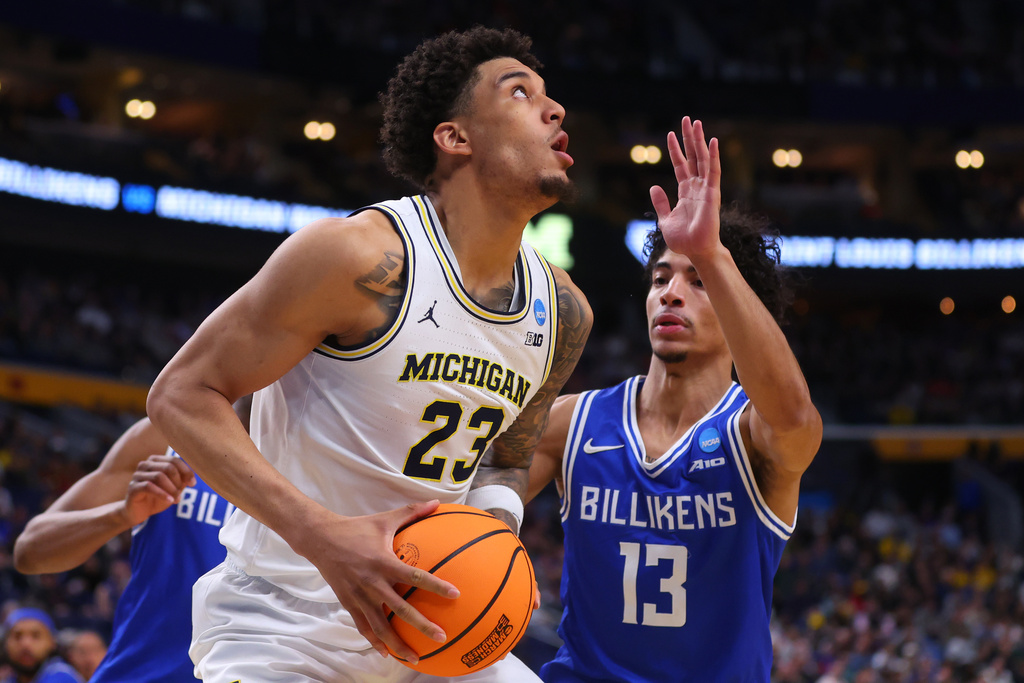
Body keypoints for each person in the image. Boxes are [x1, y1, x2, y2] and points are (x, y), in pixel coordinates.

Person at [146, 26, 592, 683]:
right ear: (455, 137)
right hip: (286, 625)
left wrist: (492, 536)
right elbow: (179, 394)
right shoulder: (358, 256)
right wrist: (322, 535)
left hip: (430, 625)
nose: (554, 110)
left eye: (550, 96)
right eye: (521, 93)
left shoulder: (563, 309)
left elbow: (506, 451)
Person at [526, 117, 823, 682]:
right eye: (662, 277)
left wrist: (713, 254)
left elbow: (794, 415)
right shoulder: (574, 422)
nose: (670, 292)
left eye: (698, 282)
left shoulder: (752, 437)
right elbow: (475, 500)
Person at [12, 406, 247, 682]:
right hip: (140, 673)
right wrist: (122, 514)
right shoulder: (171, 430)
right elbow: (30, 550)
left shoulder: (304, 461)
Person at [1, 608, 83, 683]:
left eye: (35, 636)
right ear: (6, 643)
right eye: (17, 636)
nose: (25, 644)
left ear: (52, 642)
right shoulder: (8, 679)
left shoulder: (62, 677)